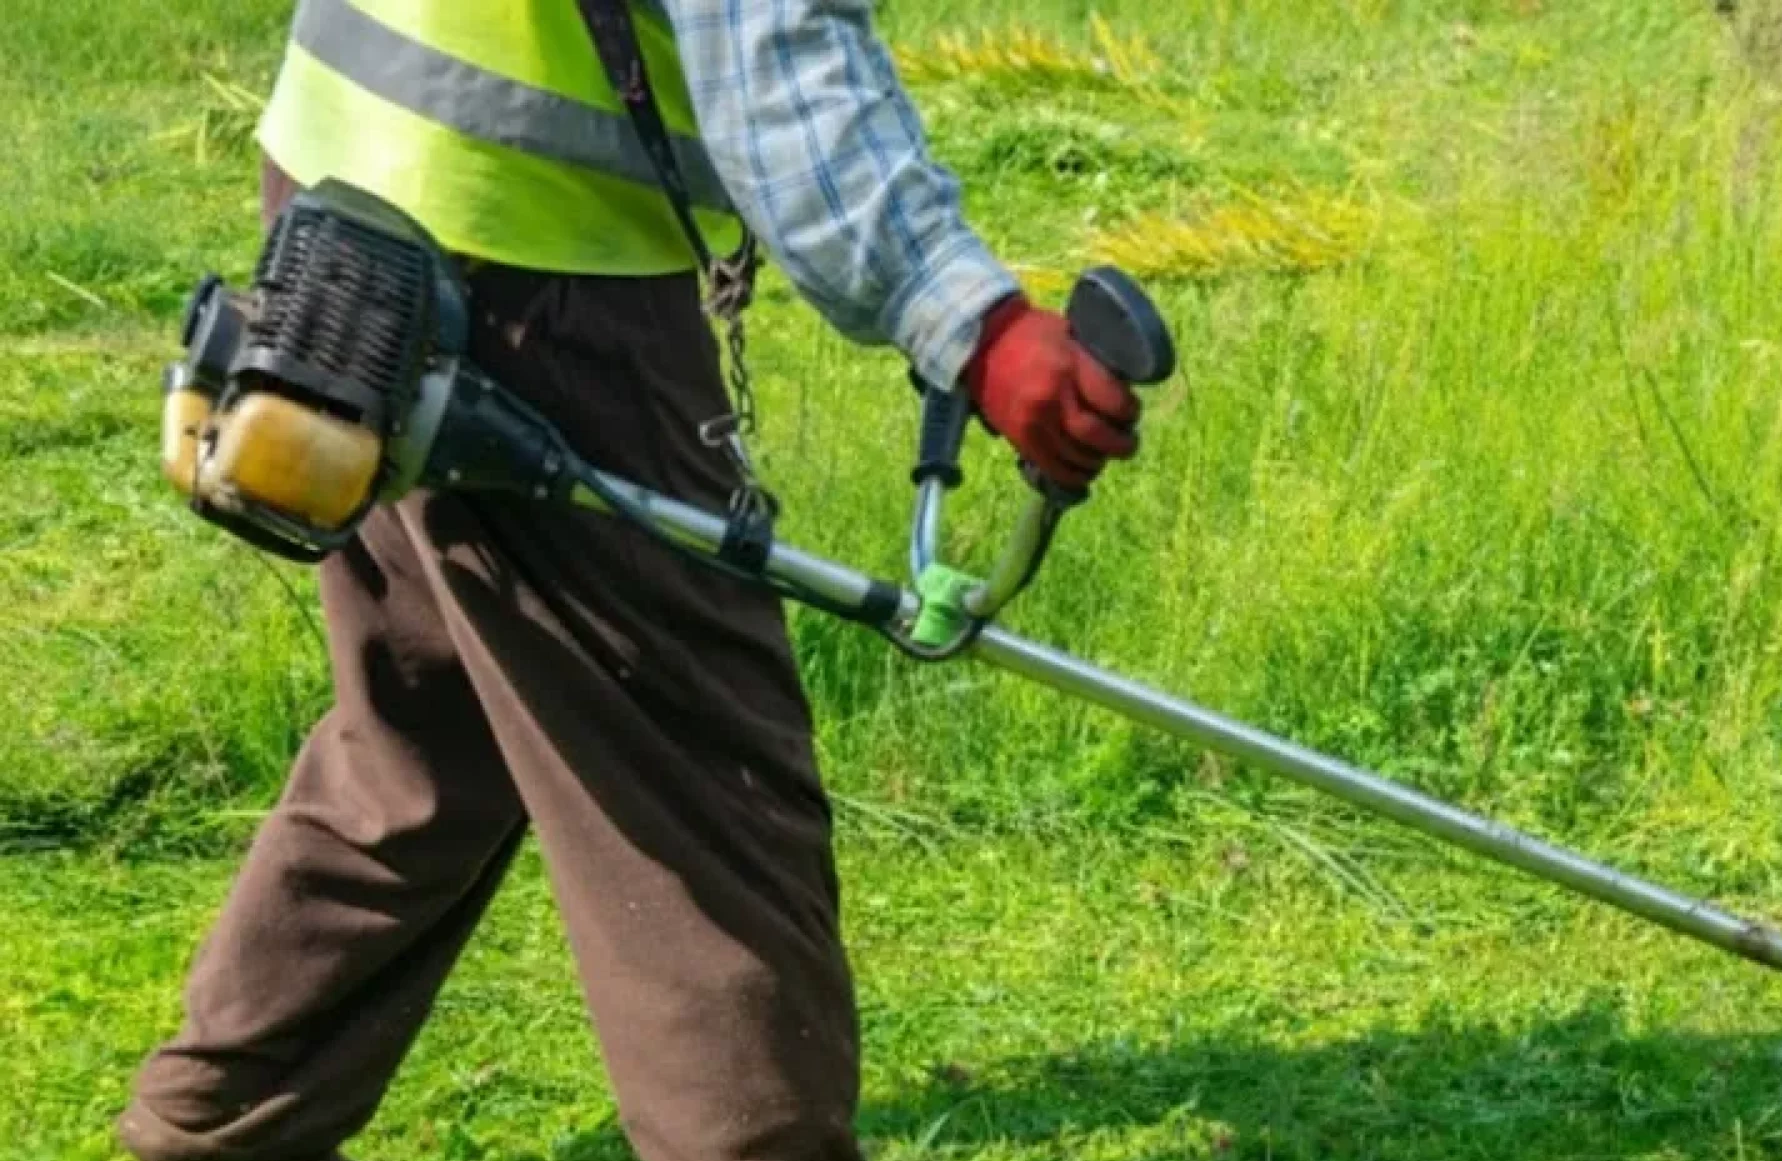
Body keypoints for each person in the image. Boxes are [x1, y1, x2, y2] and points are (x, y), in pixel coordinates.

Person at [114, 0, 1137, 1158]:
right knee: (702, 797)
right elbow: (774, 51)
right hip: (527, 263)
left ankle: (208, 1136)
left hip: (347, 176)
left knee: (425, 739)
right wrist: (981, 328)